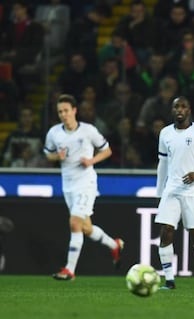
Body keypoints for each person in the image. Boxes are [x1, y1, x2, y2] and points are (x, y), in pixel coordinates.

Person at [43, 94, 124, 281]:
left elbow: (107, 150)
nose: (63, 115)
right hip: (68, 186)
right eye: (60, 112)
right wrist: (58, 157)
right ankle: (115, 245)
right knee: (86, 228)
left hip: (86, 183)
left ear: (74, 111)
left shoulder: (88, 131)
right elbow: (48, 154)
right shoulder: (54, 133)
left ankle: (70, 270)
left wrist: (91, 161)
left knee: (75, 223)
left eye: (66, 111)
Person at [155, 96, 194, 289]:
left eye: (183, 106)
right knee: (166, 232)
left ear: (189, 110)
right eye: (176, 107)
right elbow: (163, 164)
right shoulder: (165, 133)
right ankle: (169, 280)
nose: (179, 110)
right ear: (172, 110)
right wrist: (159, 193)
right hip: (172, 190)